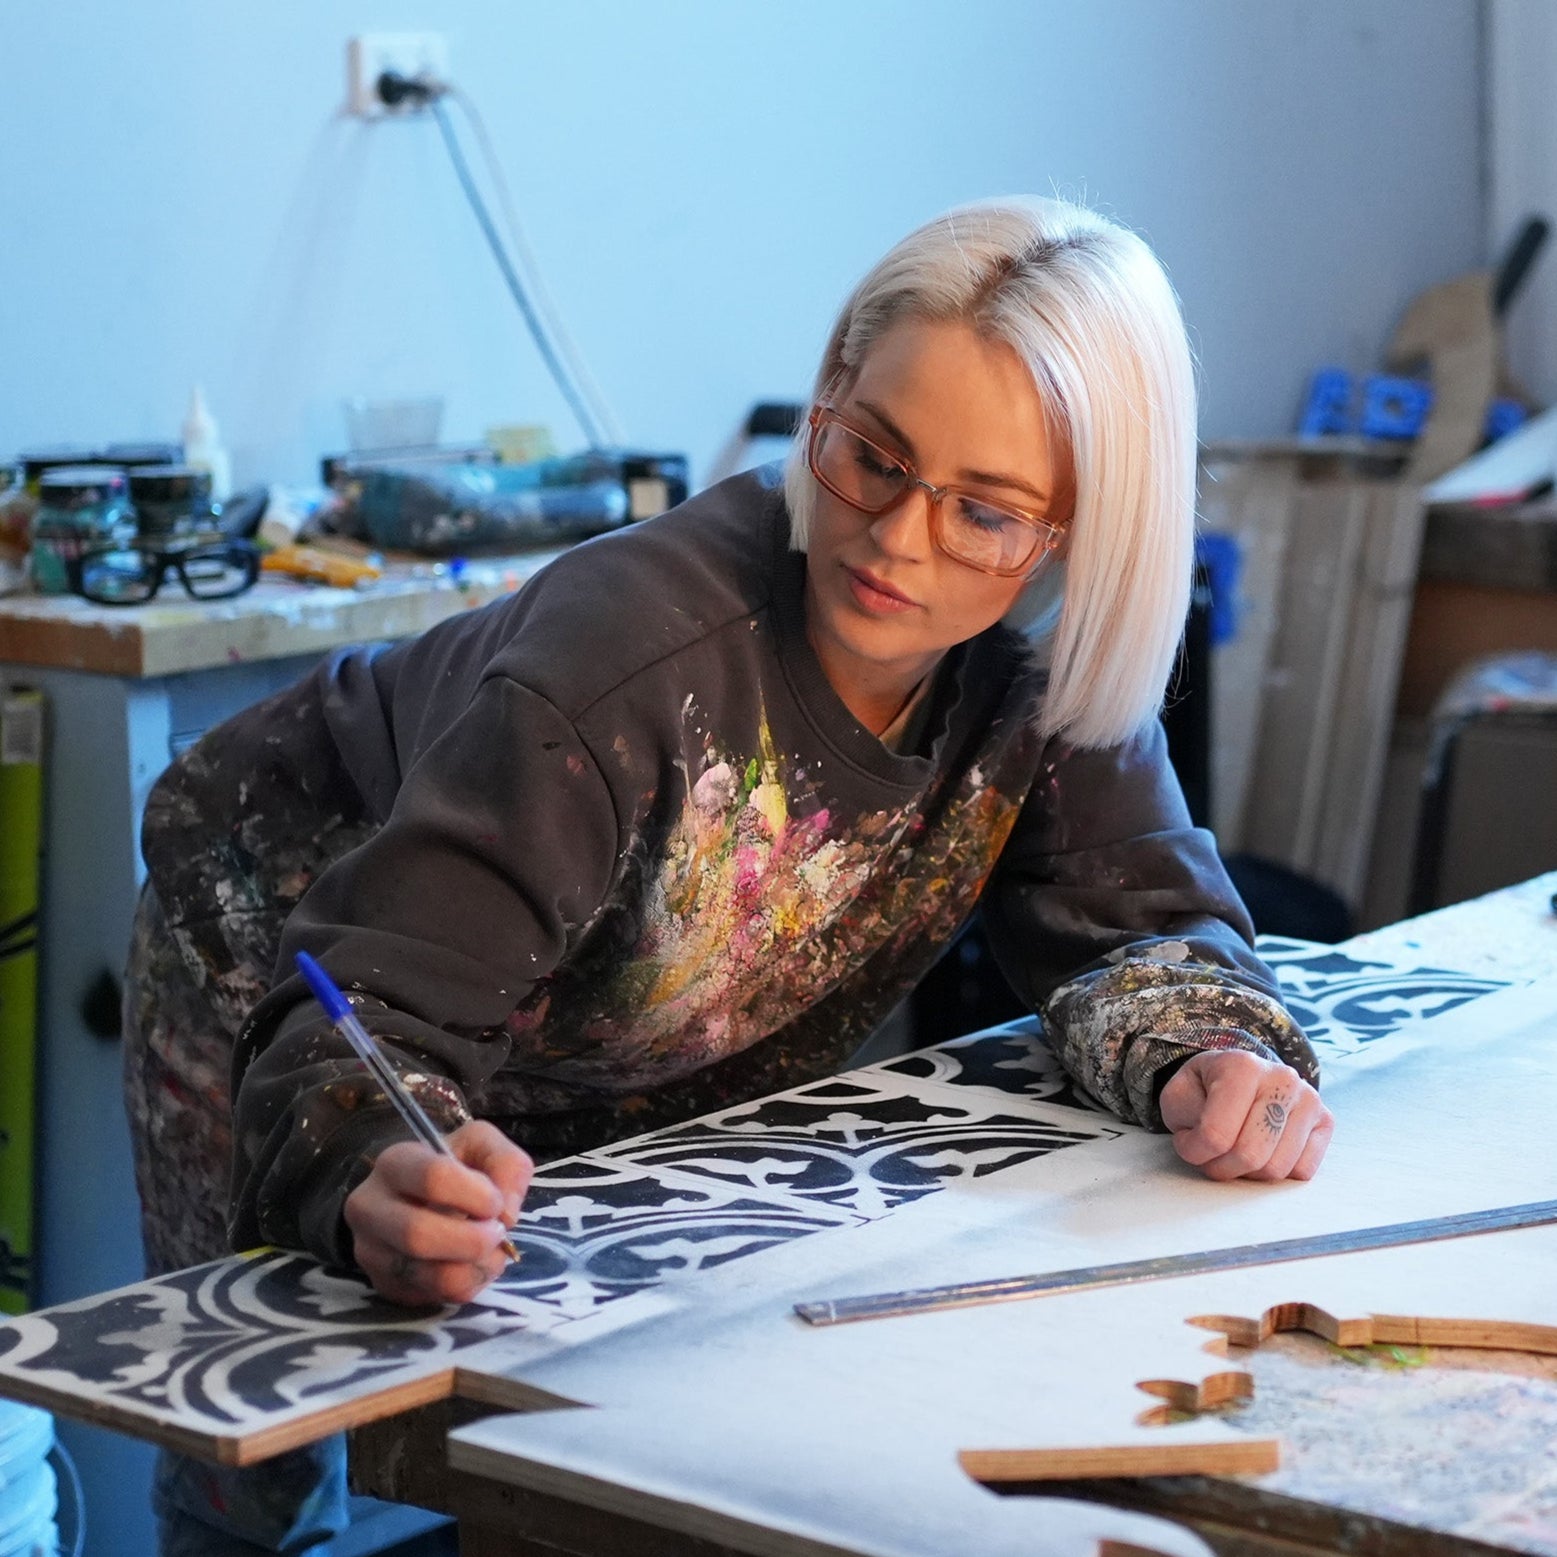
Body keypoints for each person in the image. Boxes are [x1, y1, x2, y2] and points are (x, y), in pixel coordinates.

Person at [125, 194, 1330, 1551]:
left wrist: (1204, 1053)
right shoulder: (628, 658)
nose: (899, 538)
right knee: (275, 1453)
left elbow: (1145, 927)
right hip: (293, 933)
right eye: (871, 456)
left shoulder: (1037, 675)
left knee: (605, 1432)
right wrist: (368, 1160)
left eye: (985, 512)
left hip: (604, 1016)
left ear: (1074, 537)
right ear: (826, 396)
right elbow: (373, 1012)